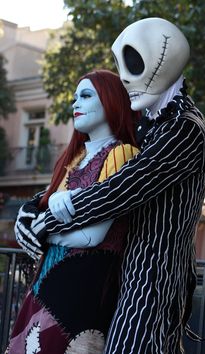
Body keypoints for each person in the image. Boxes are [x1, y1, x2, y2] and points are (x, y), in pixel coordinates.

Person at [15, 18, 205, 353]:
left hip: (151, 278)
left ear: (164, 56)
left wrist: (44, 224)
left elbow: (121, 189)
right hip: (114, 276)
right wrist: (31, 209)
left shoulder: (184, 129)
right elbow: (95, 180)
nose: (123, 76)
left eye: (133, 62)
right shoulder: (146, 124)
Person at [7, 69, 140, 354]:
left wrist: (44, 232)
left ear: (111, 100)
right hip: (47, 283)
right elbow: (46, 211)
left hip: (81, 288)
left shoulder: (121, 153)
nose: (75, 104)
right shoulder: (76, 158)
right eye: (74, 97)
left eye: (86, 95)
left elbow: (92, 236)